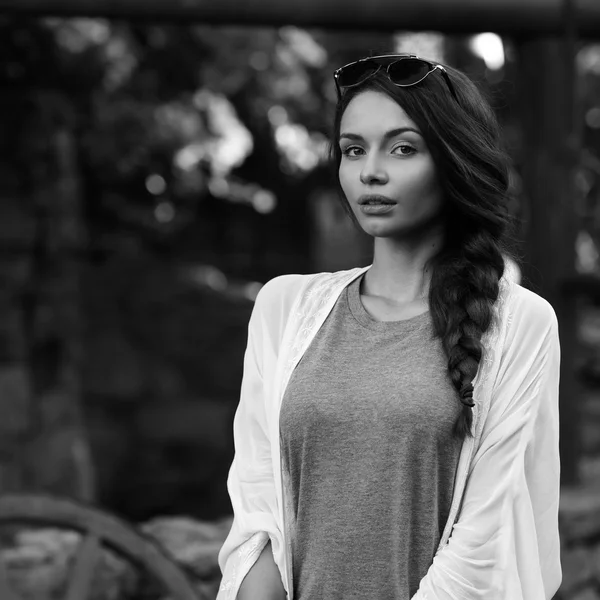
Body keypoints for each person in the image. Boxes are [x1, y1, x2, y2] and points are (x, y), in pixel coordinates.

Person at [217, 53, 561, 600]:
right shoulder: (284, 308)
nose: (370, 170)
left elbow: (484, 538)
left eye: (402, 148)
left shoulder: (519, 323)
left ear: (454, 160)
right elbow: (260, 510)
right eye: (354, 149)